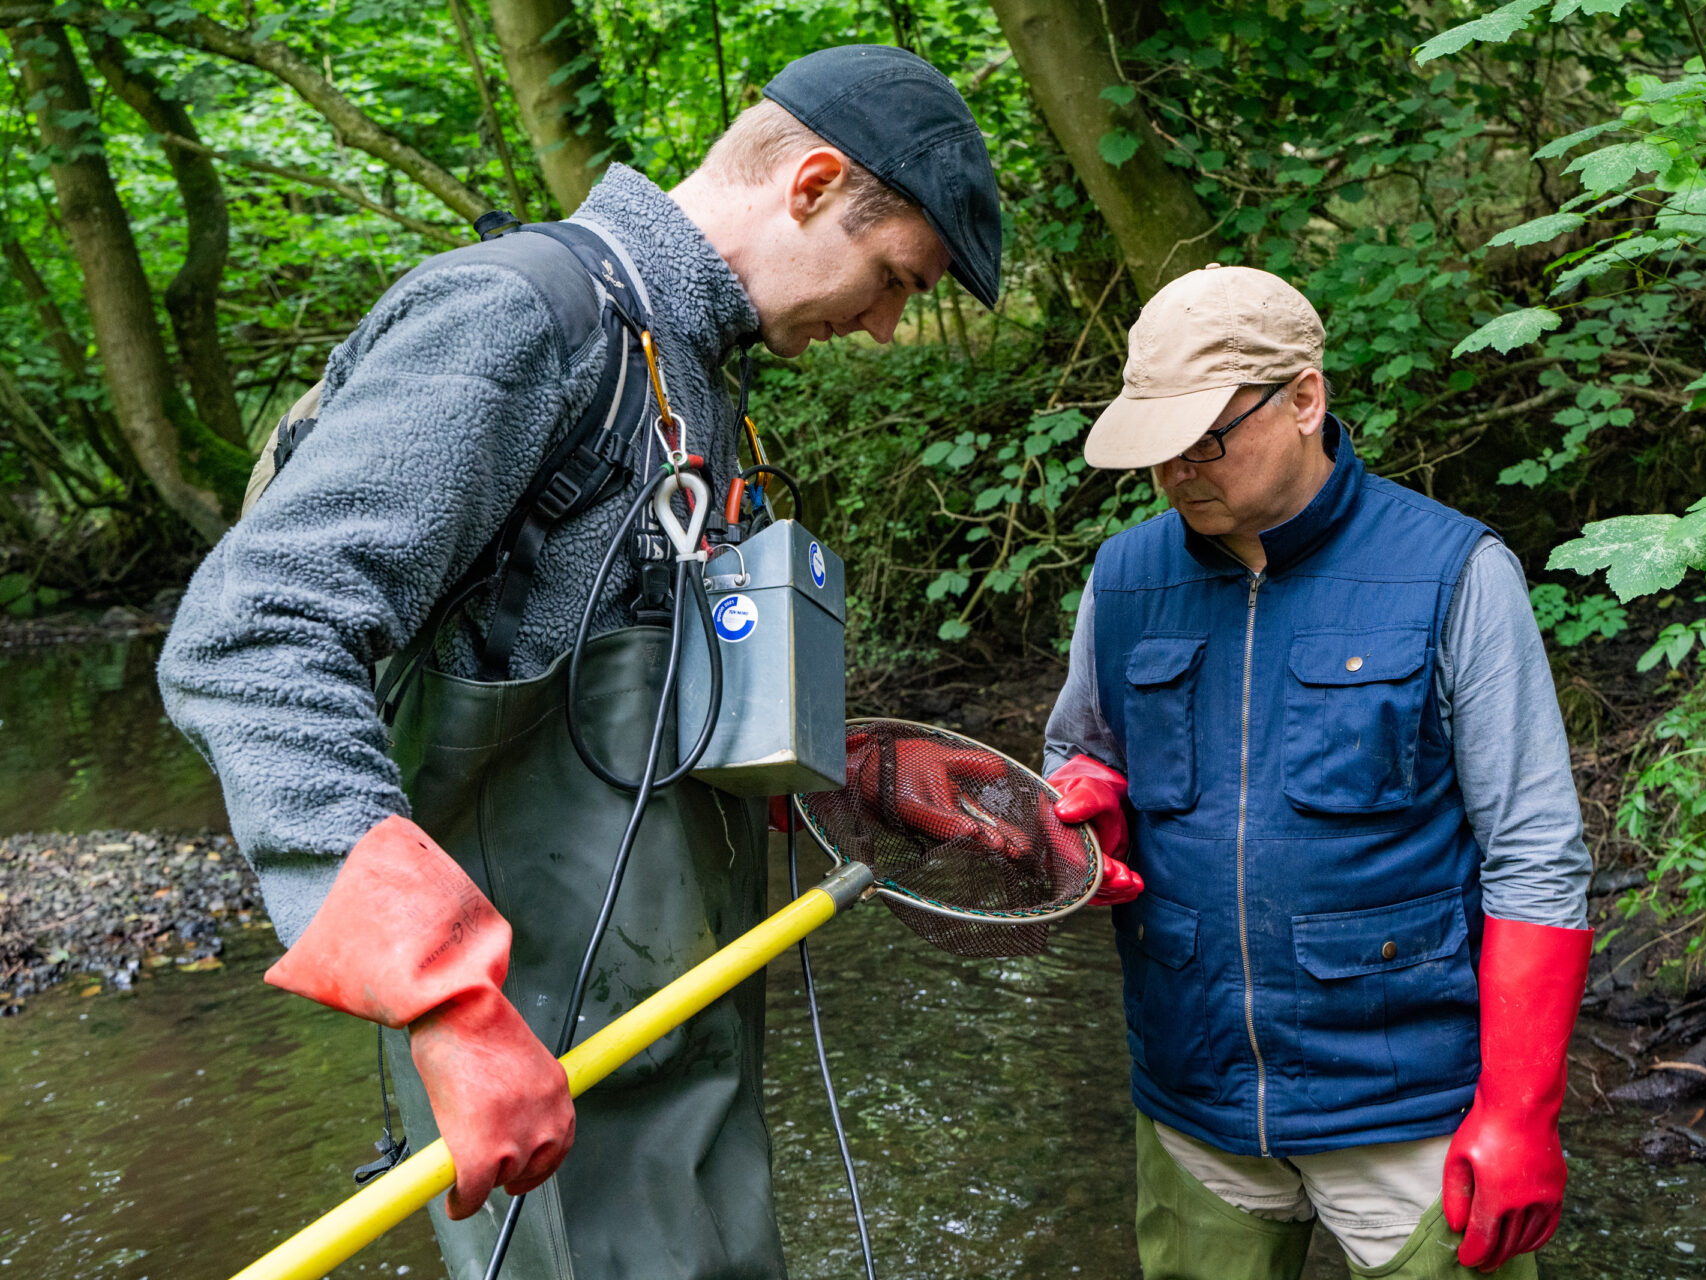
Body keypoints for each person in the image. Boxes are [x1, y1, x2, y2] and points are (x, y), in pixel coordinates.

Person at [157, 45, 1000, 1280]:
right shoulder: (524, 317)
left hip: (679, 1062)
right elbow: (255, 635)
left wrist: (851, 765)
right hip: (538, 1057)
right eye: (892, 280)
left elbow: (658, 706)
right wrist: (448, 1003)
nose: (881, 327)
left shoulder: (701, 383)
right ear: (813, 184)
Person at [1042, 264, 1594, 1279]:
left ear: (1305, 397)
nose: (1176, 475)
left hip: (1409, 1111)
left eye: (1205, 440)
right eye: (1156, 450)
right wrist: (1084, 807)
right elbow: (1081, 751)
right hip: (1194, 1101)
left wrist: (1520, 1112)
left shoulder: (1456, 573)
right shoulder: (1122, 579)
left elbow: (1536, 854)